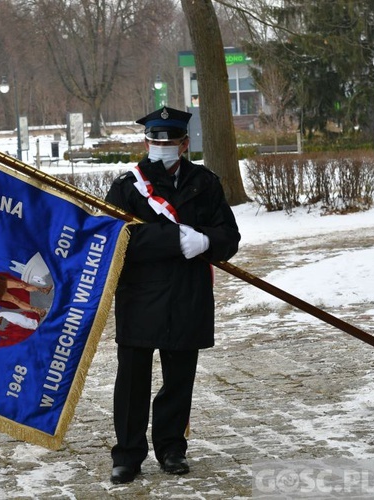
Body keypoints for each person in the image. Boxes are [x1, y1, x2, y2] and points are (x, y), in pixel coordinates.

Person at [105, 107, 240, 484]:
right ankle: (128, 454)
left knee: (179, 378)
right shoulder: (127, 186)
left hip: (187, 294)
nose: (162, 147)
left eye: (170, 141)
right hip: (140, 296)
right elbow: (115, 240)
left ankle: (171, 448)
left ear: (184, 143)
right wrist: (172, 238)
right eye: (155, 141)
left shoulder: (205, 183)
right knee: (132, 382)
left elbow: (230, 237)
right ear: (146, 142)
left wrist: (207, 241)